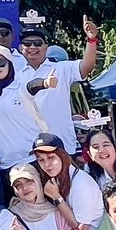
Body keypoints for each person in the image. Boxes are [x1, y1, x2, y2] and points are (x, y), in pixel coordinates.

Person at [18, 18, 100, 148]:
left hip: (62, 144)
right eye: (27, 43)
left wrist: (91, 40)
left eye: (38, 43)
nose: (32, 47)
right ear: (20, 47)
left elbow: (87, 67)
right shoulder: (15, 74)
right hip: (28, 148)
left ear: (46, 47)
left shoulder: (61, 68)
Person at [32, 133, 103, 230]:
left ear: (62, 156)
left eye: (51, 157)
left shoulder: (81, 183)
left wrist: (57, 198)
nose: (46, 164)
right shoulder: (57, 179)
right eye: (41, 160)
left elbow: (81, 229)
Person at [0, 46, 40, 170]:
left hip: (31, 159)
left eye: (1, 63)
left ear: (11, 65)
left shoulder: (21, 86)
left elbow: (33, 86)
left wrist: (45, 83)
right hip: (4, 164)